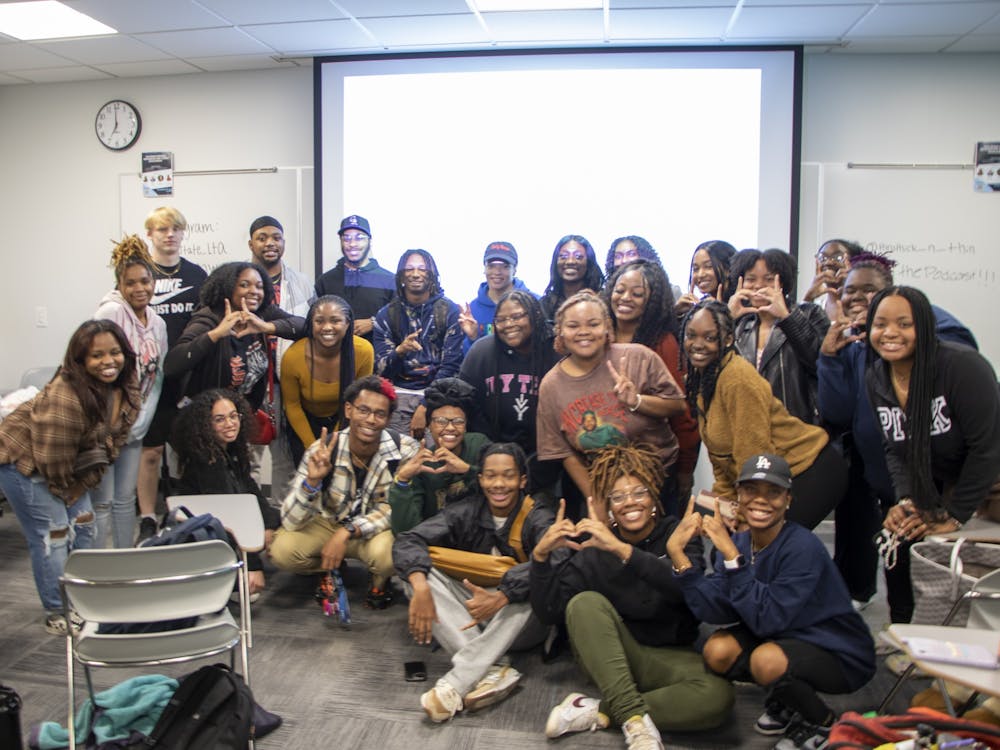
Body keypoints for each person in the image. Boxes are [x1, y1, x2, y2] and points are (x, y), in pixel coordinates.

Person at [668, 453, 876, 750]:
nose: (761, 500)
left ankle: (825, 723)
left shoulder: (803, 546)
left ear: (788, 500)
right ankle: (788, 701)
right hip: (783, 635)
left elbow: (768, 618)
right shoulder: (740, 543)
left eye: (773, 492)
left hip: (838, 650)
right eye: (751, 490)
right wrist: (680, 558)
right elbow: (713, 609)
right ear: (738, 496)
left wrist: (730, 557)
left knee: (765, 660)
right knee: (717, 650)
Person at [532, 445, 733, 749]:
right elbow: (551, 612)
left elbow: (686, 593)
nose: (630, 503)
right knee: (584, 603)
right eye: (619, 497)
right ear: (609, 506)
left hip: (670, 656)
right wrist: (540, 557)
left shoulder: (676, 536)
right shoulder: (594, 548)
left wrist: (622, 550)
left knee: (719, 697)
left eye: (639, 492)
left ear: (653, 496)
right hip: (611, 659)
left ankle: (596, 710)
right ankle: (634, 722)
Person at [817, 252, 977, 613]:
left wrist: (894, 336)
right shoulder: (858, 340)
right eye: (849, 290)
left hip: (940, 482)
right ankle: (903, 632)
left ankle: (934, 644)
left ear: (892, 290)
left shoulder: (928, 325)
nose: (856, 297)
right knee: (896, 560)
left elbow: (956, 355)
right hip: (892, 482)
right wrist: (829, 357)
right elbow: (838, 411)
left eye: (868, 289)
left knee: (937, 572)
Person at [394, 443, 554, 722]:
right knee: (416, 574)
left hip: (521, 621)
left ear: (522, 480)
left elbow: (559, 558)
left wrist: (505, 594)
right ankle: (493, 669)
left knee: (541, 579)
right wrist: (420, 586)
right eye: (491, 476)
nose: (499, 484)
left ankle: (459, 680)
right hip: (475, 612)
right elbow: (409, 540)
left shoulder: (538, 514)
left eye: (508, 476)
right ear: (480, 480)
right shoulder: (465, 510)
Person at [867, 286, 1000, 617]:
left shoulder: (963, 367)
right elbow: (895, 448)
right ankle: (908, 633)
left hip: (992, 479)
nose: (890, 333)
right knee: (899, 533)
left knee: (979, 571)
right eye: (880, 324)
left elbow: (987, 448)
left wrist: (955, 515)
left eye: (903, 323)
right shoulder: (876, 377)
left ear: (924, 327)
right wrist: (906, 499)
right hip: (948, 482)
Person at [0, 320, 139, 635]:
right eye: (96, 356)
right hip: (25, 461)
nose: (108, 362)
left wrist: (82, 486)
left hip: (67, 465)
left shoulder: (126, 386)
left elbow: (114, 445)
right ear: (80, 361)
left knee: (85, 526)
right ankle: (58, 610)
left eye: (115, 352)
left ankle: (81, 594)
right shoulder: (65, 395)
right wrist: (70, 490)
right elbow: (53, 459)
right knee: (54, 534)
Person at [681, 299, 846, 530]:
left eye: (709, 337)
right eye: (691, 335)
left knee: (763, 548)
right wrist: (723, 504)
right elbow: (720, 458)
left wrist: (742, 518)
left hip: (808, 471)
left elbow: (755, 455)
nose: (697, 344)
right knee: (714, 530)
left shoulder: (737, 379)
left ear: (728, 340)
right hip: (766, 475)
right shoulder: (703, 380)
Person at [270, 375, 420, 608]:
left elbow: (395, 508)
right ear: (348, 410)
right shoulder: (322, 449)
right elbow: (289, 521)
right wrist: (311, 482)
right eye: (363, 410)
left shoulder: (406, 450)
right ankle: (329, 565)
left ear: (389, 418)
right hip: (327, 523)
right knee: (282, 551)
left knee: (390, 556)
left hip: (370, 531)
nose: (370, 420)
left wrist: (348, 531)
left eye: (380, 414)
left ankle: (379, 579)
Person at [537, 290, 686, 519]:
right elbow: (563, 451)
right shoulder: (551, 386)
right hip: (606, 490)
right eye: (573, 326)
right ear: (560, 332)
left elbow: (677, 406)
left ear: (607, 327)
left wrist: (636, 401)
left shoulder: (638, 357)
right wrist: (597, 500)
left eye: (593, 324)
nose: (584, 332)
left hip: (659, 482)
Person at [136, 206, 207, 541]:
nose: (169, 235)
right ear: (150, 233)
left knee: (187, 452)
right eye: (162, 229)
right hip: (150, 381)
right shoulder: (139, 275)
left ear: (182, 234)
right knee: (150, 452)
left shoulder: (196, 275)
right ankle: (148, 515)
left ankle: (181, 514)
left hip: (187, 378)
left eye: (176, 229)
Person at [91, 235, 168, 548]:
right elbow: (94, 370)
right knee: (102, 502)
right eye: (131, 283)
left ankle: (124, 562)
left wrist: (140, 421)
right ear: (119, 284)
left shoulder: (158, 323)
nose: (140, 289)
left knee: (124, 500)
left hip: (136, 427)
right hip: (106, 428)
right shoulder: (109, 314)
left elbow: (156, 378)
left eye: (146, 281)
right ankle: (95, 569)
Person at [604, 259, 700, 504]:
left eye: (637, 294)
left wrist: (685, 470)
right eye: (619, 290)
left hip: (652, 466)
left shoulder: (663, 343)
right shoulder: (597, 336)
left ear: (652, 300)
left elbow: (681, 412)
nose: (625, 298)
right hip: (603, 465)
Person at [171, 389, 281, 597]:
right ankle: (228, 582)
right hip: (206, 543)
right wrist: (253, 566)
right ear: (205, 424)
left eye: (233, 416)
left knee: (280, 518)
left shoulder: (231, 449)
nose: (230, 424)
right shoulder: (207, 462)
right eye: (219, 419)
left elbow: (251, 493)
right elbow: (229, 519)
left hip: (225, 530)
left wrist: (269, 524)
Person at [458, 290, 561, 502]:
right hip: (491, 462)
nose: (509, 324)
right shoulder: (480, 352)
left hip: (547, 463)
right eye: (501, 320)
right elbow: (467, 407)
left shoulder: (555, 353)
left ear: (534, 316)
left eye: (517, 316)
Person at [163, 261, 306, 412]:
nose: (254, 291)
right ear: (228, 288)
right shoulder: (209, 318)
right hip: (207, 417)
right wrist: (216, 334)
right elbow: (172, 365)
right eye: (244, 285)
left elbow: (303, 326)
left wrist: (266, 327)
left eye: (259, 286)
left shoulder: (261, 313)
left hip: (240, 415)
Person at [247, 215, 315, 497]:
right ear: (251, 243)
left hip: (286, 380)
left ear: (284, 242)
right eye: (262, 238)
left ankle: (279, 517)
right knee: (248, 454)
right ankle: (247, 520)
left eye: (276, 237)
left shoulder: (301, 282)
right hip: (250, 382)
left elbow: (309, 328)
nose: (270, 243)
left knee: (284, 455)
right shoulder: (240, 280)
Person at [727, 248, 829, 425]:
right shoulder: (740, 323)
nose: (758, 286)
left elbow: (819, 363)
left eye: (768, 279)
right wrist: (727, 321)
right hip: (747, 425)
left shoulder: (808, 314)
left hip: (797, 428)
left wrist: (787, 317)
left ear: (782, 283)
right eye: (751, 279)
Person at [373, 249, 463, 433]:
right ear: (401, 276)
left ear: (431, 275)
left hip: (439, 394)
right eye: (409, 269)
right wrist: (400, 351)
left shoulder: (449, 311)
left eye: (422, 269)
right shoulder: (386, 314)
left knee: (435, 455)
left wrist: (425, 405)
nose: (415, 274)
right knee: (399, 455)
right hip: (399, 394)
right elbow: (381, 370)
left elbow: (451, 366)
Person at [280, 294, 374, 467]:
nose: (327, 327)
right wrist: (313, 446)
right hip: (305, 423)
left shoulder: (363, 351)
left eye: (335, 321)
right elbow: (292, 406)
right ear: (310, 324)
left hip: (346, 421)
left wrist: (335, 442)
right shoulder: (293, 356)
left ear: (347, 324)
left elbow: (358, 402)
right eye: (319, 321)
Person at [389, 378, 490, 535]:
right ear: (429, 425)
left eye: (458, 421)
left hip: (478, 537)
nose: (450, 428)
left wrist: (467, 470)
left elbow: (500, 489)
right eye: (441, 421)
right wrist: (402, 481)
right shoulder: (421, 465)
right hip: (438, 542)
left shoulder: (480, 445)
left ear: (465, 425)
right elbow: (404, 531)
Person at [314, 215, 395, 342]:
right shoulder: (325, 281)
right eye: (346, 239)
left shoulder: (389, 280)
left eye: (359, 238)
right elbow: (314, 320)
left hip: (377, 357)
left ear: (370, 241)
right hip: (334, 356)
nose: (352, 244)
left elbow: (400, 318)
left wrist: (373, 322)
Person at [458, 241, 535, 354]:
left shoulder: (534, 303)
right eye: (491, 266)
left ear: (515, 269)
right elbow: (469, 362)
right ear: (484, 268)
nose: (497, 272)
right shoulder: (473, 310)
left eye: (504, 267)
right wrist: (473, 338)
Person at [539, 235, 604, 325]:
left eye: (578, 257)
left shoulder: (602, 299)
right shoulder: (545, 304)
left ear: (589, 262)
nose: (570, 261)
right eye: (564, 256)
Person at [802, 239, 862, 322]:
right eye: (822, 258)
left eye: (838, 257)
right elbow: (798, 331)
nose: (828, 262)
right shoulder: (814, 307)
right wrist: (809, 297)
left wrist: (851, 285)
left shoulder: (862, 305)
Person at [674, 240, 737, 318]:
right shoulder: (701, 305)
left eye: (708, 266)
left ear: (728, 269)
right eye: (696, 269)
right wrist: (677, 313)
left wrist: (726, 316)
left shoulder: (741, 304)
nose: (700, 274)